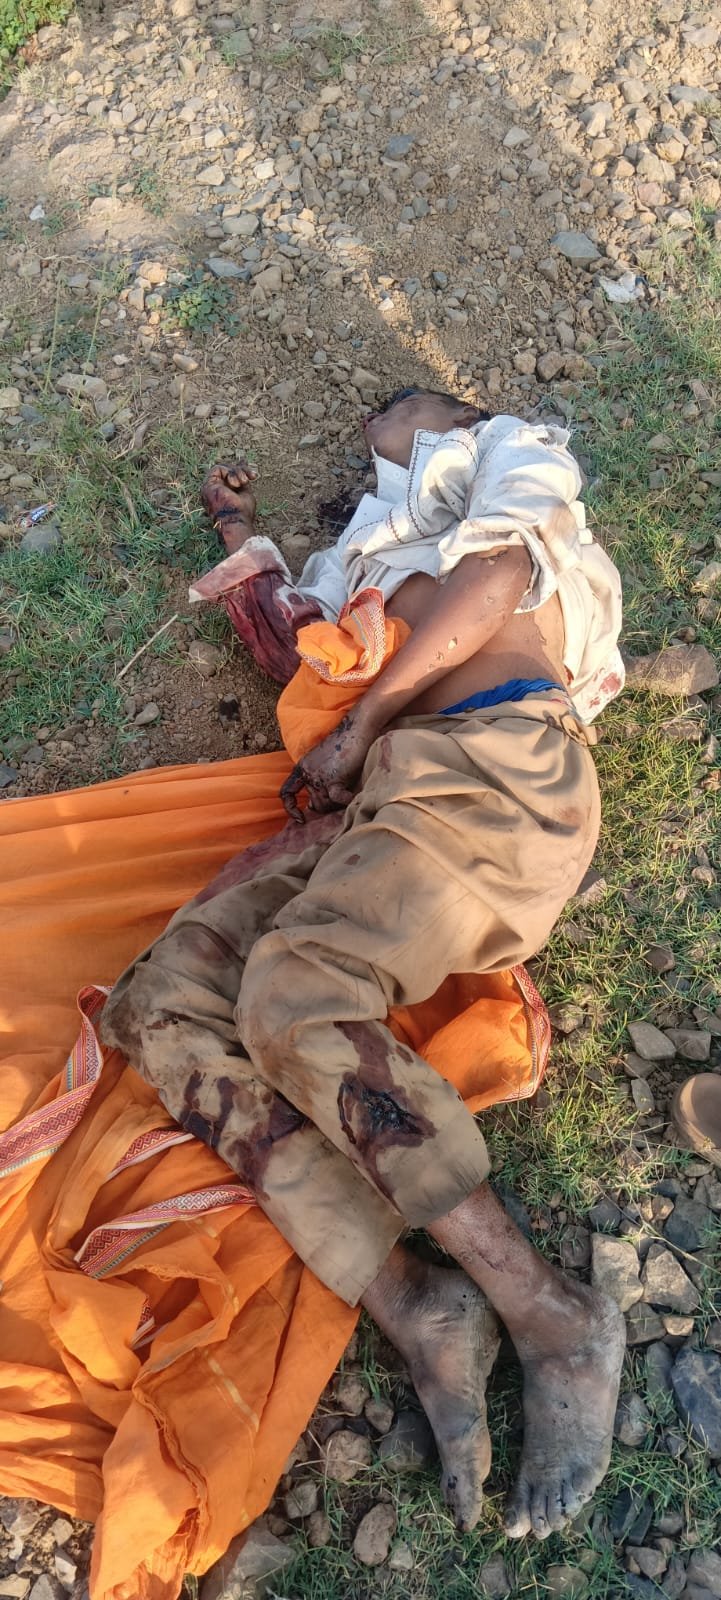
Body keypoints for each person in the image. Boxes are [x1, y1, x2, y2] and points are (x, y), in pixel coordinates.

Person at [101, 389, 626, 1540]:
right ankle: (416, 1301)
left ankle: (550, 1312)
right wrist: (238, 533)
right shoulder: (362, 566)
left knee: (293, 992)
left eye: (416, 404)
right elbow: (287, 632)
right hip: (388, 803)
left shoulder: (511, 456)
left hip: (500, 769)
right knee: (164, 1005)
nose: (389, 417)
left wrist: (367, 717)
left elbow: (496, 578)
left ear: (462, 415)